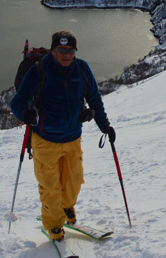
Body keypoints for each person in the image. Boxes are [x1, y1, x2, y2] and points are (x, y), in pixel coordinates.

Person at [10, 30, 115, 242]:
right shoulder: (40, 70)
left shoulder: (81, 69)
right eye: (62, 50)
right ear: (53, 50)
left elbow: (94, 98)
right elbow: (17, 101)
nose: (67, 55)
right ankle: (54, 225)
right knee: (50, 188)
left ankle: (67, 207)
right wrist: (25, 114)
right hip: (45, 140)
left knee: (73, 184)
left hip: (73, 138)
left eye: (71, 50)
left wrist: (105, 126)